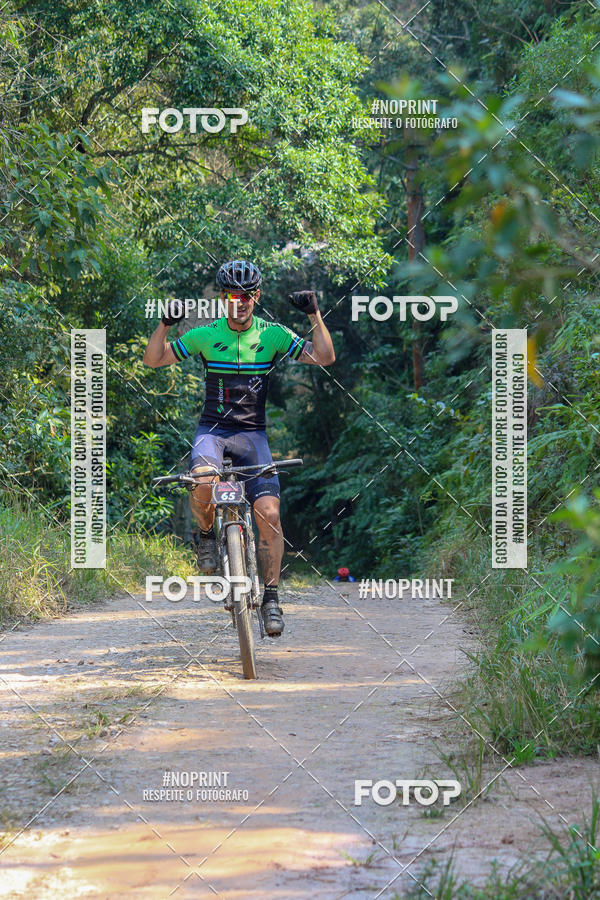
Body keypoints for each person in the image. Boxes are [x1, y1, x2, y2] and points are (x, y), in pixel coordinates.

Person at [143, 260, 335, 637]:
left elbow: (324, 356)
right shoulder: (204, 335)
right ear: (223, 298)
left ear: (256, 297)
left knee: (269, 513)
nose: (240, 302)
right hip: (212, 432)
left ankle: (272, 597)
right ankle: (206, 537)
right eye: (233, 295)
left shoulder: (273, 335)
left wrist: (314, 313)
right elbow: (154, 360)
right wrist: (165, 324)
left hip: (253, 436)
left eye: (247, 295)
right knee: (202, 481)